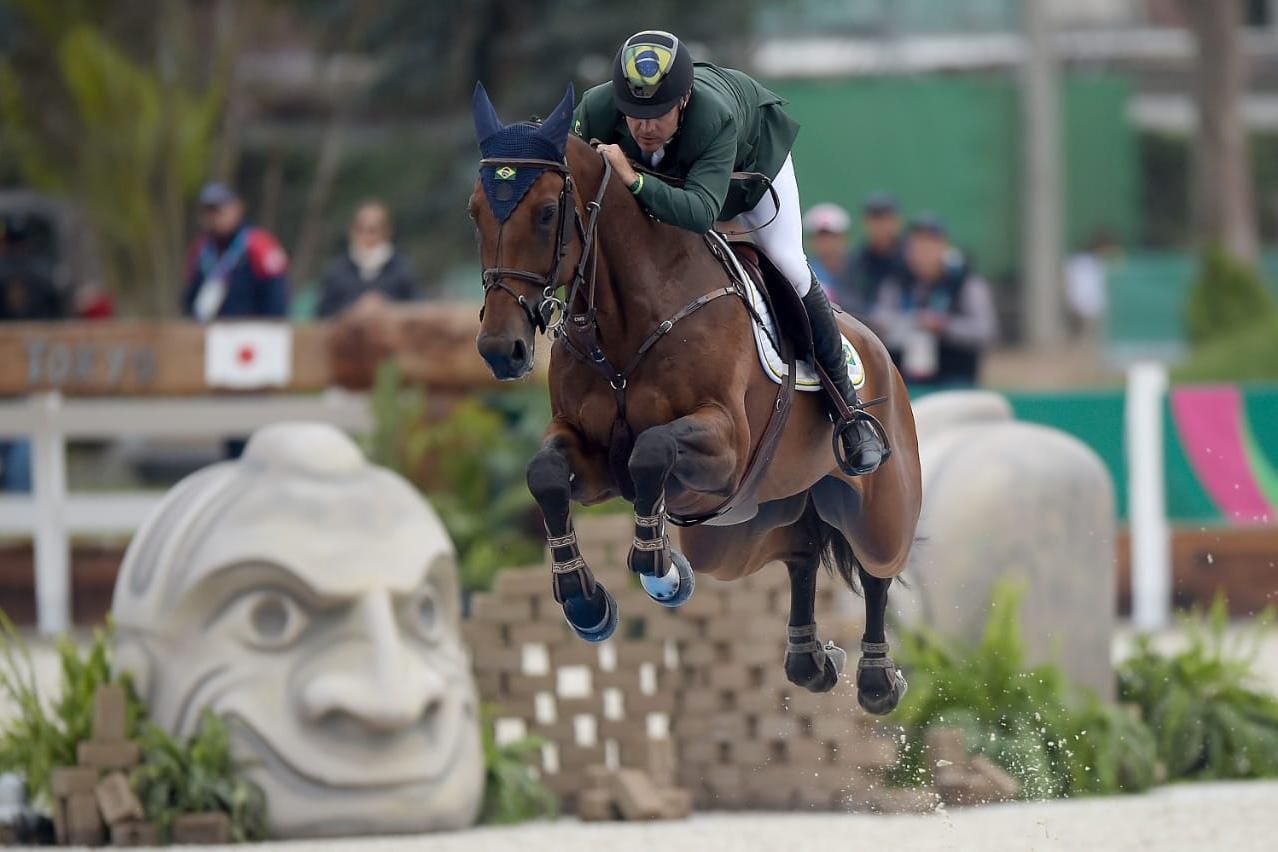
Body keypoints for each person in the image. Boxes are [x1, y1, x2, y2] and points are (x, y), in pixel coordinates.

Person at [574, 30, 884, 475]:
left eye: (658, 113)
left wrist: (634, 180)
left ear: (682, 101)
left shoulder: (712, 118)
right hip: (682, 179)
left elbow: (701, 212)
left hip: (749, 171)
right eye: (634, 113)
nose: (644, 126)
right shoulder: (596, 109)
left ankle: (849, 412)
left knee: (789, 265)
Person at [869, 215, 997, 390]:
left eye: (929, 245)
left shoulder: (966, 284)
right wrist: (909, 323)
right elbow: (878, 322)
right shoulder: (896, 284)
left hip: (955, 379)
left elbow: (985, 331)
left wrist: (943, 326)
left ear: (944, 248)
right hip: (905, 380)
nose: (923, 253)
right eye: (917, 246)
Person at [182, 182, 289, 322]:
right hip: (208, 334)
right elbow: (190, 299)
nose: (213, 217)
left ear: (237, 208)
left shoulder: (260, 246)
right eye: (208, 211)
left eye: (218, 210)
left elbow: (276, 299)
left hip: (251, 336)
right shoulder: (200, 249)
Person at [317, 201, 421, 318]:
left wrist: (387, 308)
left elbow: (417, 312)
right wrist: (352, 311)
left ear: (387, 231)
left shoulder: (402, 270)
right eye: (361, 229)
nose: (366, 237)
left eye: (372, 230)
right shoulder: (336, 272)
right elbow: (322, 316)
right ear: (351, 231)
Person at [848, 192, 906, 311]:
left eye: (884, 219)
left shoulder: (910, 257)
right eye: (874, 219)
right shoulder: (859, 260)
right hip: (867, 322)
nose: (879, 226)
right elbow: (848, 294)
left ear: (897, 222)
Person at [803, 203, 859, 311]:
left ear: (845, 238)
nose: (827, 243)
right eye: (820, 237)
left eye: (832, 236)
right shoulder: (806, 275)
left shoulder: (860, 269)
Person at [1065, 229, 1118, 343]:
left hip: (1094, 306)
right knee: (1085, 339)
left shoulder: (1103, 262)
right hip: (1085, 305)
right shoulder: (1081, 261)